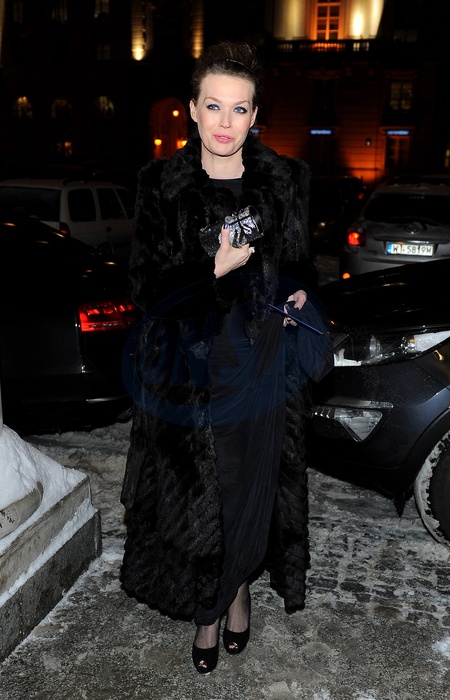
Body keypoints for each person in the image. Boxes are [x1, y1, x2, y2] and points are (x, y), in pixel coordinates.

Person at [120, 40, 315, 675]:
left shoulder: (284, 183)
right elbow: (147, 290)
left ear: (255, 115)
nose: (226, 122)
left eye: (240, 108)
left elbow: (301, 267)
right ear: (193, 110)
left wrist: (299, 294)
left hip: (263, 369)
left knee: (248, 491)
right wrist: (212, 270)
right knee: (207, 494)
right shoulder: (161, 185)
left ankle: (236, 592)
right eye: (214, 106)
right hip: (191, 375)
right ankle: (214, 606)